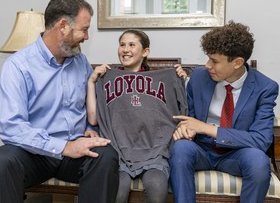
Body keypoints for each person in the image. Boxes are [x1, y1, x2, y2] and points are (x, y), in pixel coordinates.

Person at [0, 0, 119, 203]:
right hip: (35, 153)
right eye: (84, 29)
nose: (86, 37)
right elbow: (11, 127)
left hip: (76, 148)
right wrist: (63, 147)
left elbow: (90, 105)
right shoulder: (17, 65)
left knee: (105, 157)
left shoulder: (81, 62)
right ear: (63, 26)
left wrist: (91, 128)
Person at [169, 20, 279, 203]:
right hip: (201, 149)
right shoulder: (198, 77)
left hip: (236, 153)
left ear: (237, 63)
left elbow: (260, 140)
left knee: (259, 161)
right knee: (180, 149)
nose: (207, 65)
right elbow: (189, 116)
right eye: (208, 58)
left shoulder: (265, 88)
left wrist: (208, 128)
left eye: (214, 61)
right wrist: (185, 128)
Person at [87, 29, 188, 203]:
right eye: (122, 44)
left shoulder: (164, 79)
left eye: (132, 45)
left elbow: (184, 112)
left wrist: (182, 80)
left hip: (154, 151)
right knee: (117, 192)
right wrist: (91, 82)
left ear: (145, 51)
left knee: (157, 189)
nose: (125, 49)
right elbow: (93, 119)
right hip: (118, 152)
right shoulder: (107, 78)